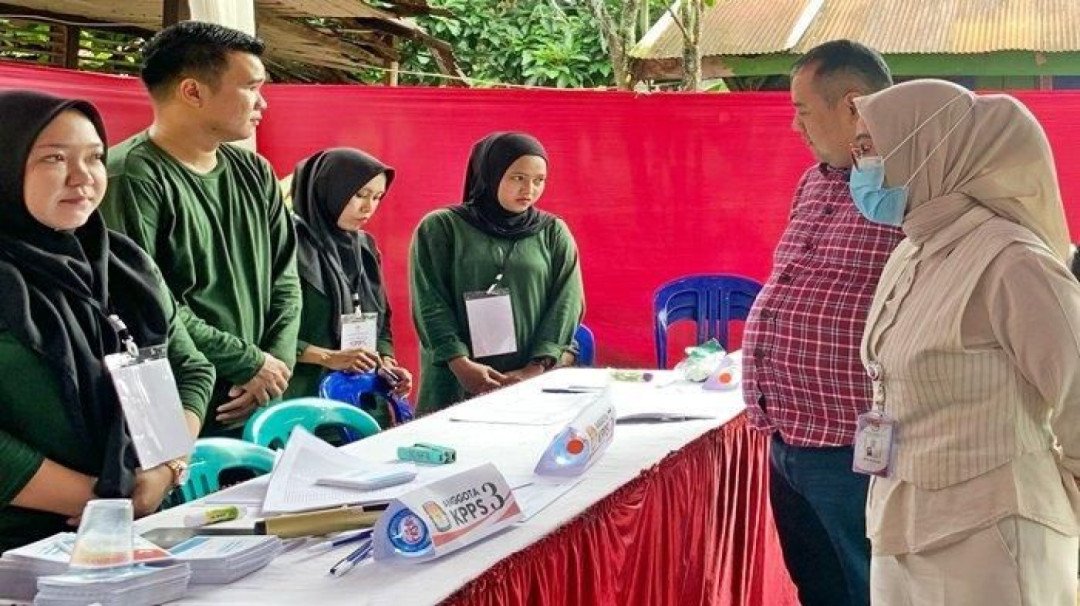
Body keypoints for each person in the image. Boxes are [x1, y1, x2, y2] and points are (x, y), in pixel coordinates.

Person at [852, 79, 1080, 605]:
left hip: (991, 534)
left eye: (870, 148)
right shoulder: (909, 254)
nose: (859, 168)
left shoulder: (1012, 261)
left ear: (927, 150)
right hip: (899, 525)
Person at [0, 90, 214, 551]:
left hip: (134, 534)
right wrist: (99, 498)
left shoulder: (123, 265)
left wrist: (166, 467)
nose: (82, 177)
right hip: (20, 547)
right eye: (54, 158)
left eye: (95, 157)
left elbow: (191, 368)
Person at [740, 40, 899, 606]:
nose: (795, 126)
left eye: (803, 110)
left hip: (854, 446)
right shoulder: (814, 181)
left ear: (853, 106)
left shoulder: (912, 188)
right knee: (818, 587)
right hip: (786, 436)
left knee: (871, 587)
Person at [100, 22, 301, 437]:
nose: (262, 103)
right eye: (251, 87)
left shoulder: (255, 171)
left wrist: (274, 366)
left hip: (261, 393)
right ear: (192, 92)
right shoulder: (131, 176)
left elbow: (285, 278)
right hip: (181, 401)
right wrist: (246, 362)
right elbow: (145, 301)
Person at [409, 132, 584, 413]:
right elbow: (430, 303)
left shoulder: (553, 232)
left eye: (539, 180)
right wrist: (460, 364)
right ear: (490, 174)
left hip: (529, 384)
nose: (529, 189)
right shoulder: (441, 227)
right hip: (455, 381)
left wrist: (534, 369)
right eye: (518, 177)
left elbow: (567, 302)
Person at [284, 148, 413, 426]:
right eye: (360, 195)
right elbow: (265, 332)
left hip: (362, 402)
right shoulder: (286, 244)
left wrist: (387, 362)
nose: (368, 207)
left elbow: (381, 320)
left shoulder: (364, 245)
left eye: (377, 197)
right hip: (302, 402)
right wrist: (328, 357)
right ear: (329, 189)